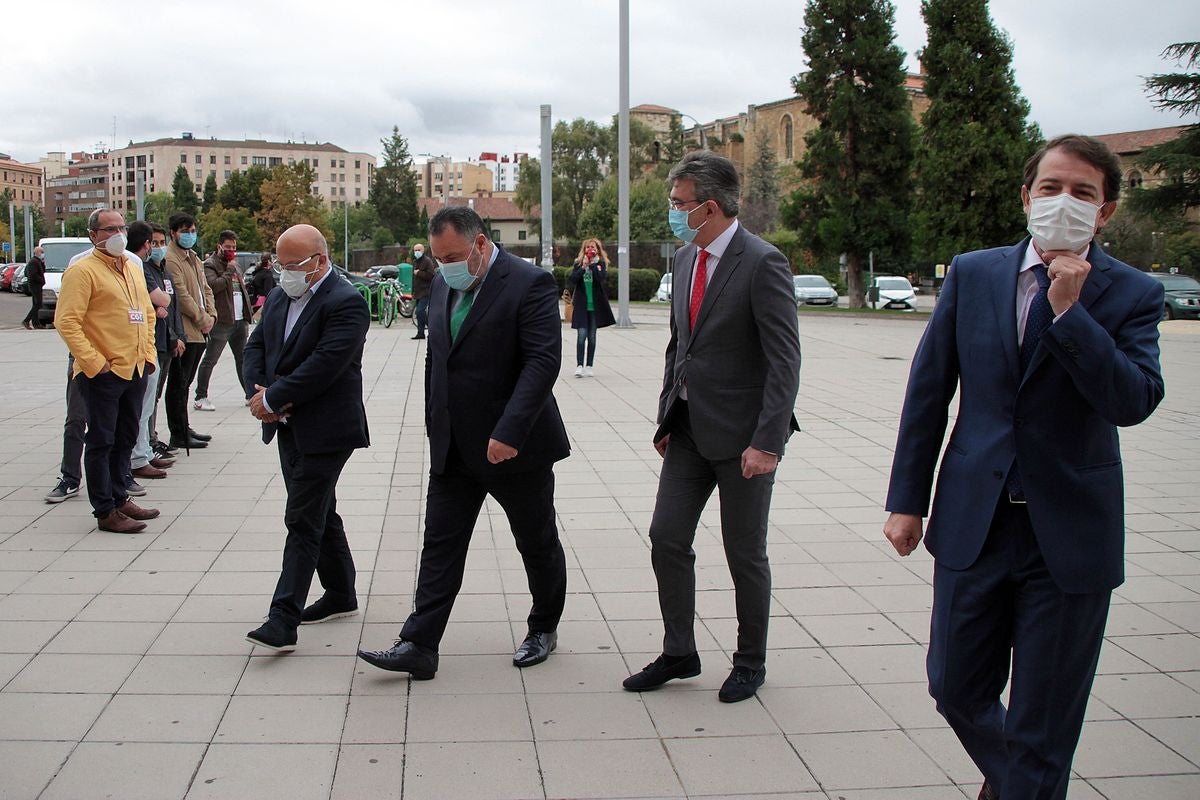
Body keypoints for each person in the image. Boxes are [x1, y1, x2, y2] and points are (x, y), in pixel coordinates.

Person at [883, 134, 1166, 800]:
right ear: (1026, 196)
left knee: (1043, 727)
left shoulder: (1133, 294)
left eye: (1083, 193)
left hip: (1068, 537)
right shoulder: (974, 273)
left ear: (1106, 213)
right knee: (953, 687)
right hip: (973, 523)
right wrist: (907, 500)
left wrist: (1071, 313)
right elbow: (930, 391)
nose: (1064, 202)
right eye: (1051, 187)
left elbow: (1133, 401)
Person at [357, 206, 569, 679]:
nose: (444, 265)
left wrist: (509, 431)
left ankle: (543, 626)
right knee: (440, 544)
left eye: (451, 255)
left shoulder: (529, 283)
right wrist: (436, 424)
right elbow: (439, 358)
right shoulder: (441, 283)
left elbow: (541, 363)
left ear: (479, 244)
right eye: (437, 257)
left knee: (535, 541)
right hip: (454, 445)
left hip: (515, 447)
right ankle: (419, 643)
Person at [622, 152, 801, 704]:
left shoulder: (763, 263)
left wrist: (767, 442)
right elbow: (681, 344)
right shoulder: (684, 259)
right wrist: (665, 415)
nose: (673, 213)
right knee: (666, 537)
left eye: (680, 205)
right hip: (689, 432)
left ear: (712, 207)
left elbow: (783, 361)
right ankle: (680, 650)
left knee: (743, 551)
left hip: (745, 439)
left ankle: (750, 662)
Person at [242, 224, 370, 652]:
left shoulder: (347, 302)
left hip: (328, 428)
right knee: (319, 510)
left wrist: (276, 396)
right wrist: (259, 393)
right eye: (281, 264)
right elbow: (255, 345)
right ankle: (341, 593)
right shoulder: (280, 295)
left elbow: (326, 363)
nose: (286, 273)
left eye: (294, 265)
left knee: (301, 517)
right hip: (286, 424)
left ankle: (283, 618)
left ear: (320, 259)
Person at [54, 208, 160, 533]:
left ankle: (120, 495)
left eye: (121, 228)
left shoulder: (131, 266)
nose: (117, 234)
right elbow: (66, 321)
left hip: (135, 367)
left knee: (126, 436)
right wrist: (94, 363)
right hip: (102, 372)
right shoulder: (82, 270)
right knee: (101, 440)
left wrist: (148, 353)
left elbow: (146, 312)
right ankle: (105, 510)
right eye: (109, 229)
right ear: (93, 235)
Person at [126, 221, 175, 481]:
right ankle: (135, 458)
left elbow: (158, 303)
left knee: (145, 407)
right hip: (131, 350)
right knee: (138, 408)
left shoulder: (147, 267)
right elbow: (161, 300)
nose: (156, 248)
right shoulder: (135, 266)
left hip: (148, 345)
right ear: (146, 244)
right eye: (153, 243)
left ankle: (142, 453)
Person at [163, 213, 216, 450]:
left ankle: (185, 426)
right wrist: (201, 318)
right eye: (185, 231)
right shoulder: (171, 258)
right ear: (173, 233)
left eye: (193, 230)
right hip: (187, 329)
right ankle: (178, 432)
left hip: (201, 329)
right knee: (179, 384)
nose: (190, 235)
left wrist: (211, 316)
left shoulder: (193, 258)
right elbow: (181, 295)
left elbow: (205, 289)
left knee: (186, 383)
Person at [193, 230, 252, 411]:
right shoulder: (211, 265)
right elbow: (213, 286)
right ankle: (200, 396)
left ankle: (249, 394)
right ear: (219, 246)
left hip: (239, 320)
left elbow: (241, 291)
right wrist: (227, 270)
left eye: (234, 247)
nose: (231, 250)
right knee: (211, 358)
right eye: (228, 247)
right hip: (222, 321)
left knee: (243, 359)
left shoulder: (235, 266)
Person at [143, 223, 186, 461]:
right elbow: (154, 304)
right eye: (154, 243)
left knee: (156, 395)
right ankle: (148, 441)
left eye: (161, 243)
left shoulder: (165, 272)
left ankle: (152, 437)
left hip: (169, 341)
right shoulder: (145, 271)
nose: (158, 247)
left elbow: (173, 307)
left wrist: (179, 336)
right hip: (155, 341)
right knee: (149, 396)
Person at [567, 238, 616, 377]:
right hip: (582, 306)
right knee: (581, 335)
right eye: (588, 247)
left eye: (593, 247)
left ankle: (589, 365)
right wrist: (583, 267)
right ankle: (579, 365)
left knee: (592, 337)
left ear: (597, 250)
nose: (590, 249)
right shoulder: (578, 263)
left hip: (595, 307)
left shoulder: (600, 264)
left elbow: (601, 278)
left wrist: (593, 265)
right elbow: (572, 279)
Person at [410, 242, 436, 340]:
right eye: (415, 250)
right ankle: (420, 333)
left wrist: (419, 273)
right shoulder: (415, 261)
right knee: (418, 313)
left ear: (423, 250)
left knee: (420, 311)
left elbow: (431, 275)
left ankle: (433, 328)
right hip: (418, 291)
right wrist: (413, 291)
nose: (417, 252)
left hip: (426, 291)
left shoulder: (427, 261)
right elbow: (414, 278)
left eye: (418, 250)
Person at [22, 245, 46, 329]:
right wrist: (41, 280)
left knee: (35, 304)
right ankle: (26, 320)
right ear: (37, 253)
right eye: (41, 252)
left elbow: (43, 271)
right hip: (35, 285)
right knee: (38, 304)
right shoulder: (33, 262)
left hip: (38, 285)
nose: (43, 254)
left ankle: (36, 323)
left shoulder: (38, 261)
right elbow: (33, 275)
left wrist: (43, 263)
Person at [248, 252, 276, 321]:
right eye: (271, 260)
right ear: (269, 261)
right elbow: (268, 292)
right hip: (263, 305)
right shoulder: (267, 274)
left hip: (256, 302)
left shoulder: (257, 272)